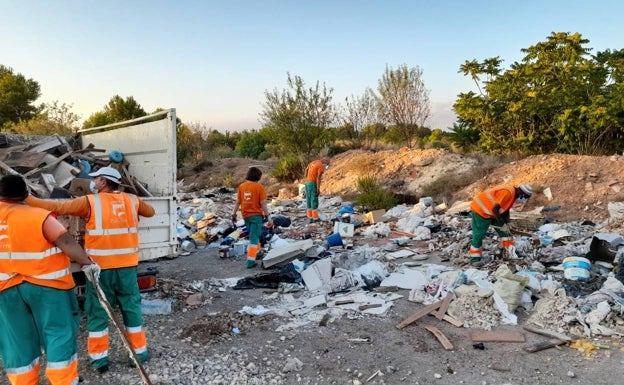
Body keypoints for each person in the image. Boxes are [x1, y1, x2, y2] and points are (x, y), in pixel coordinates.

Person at [25, 166, 155, 374]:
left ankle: (99, 359)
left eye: (96, 179)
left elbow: (56, 207)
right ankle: (138, 353)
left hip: (100, 270)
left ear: (104, 182)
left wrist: (27, 199)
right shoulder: (133, 200)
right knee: (131, 309)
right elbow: (150, 211)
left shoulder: (89, 203)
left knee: (98, 311)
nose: (93, 182)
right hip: (128, 268)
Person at [0, 174, 100, 385]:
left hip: (6, 290)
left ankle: (24, 381)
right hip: (47, 286)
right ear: (26, 194)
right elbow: (65, 241)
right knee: (57, 333)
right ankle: (63, 381)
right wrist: (87, 263)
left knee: (17, 340)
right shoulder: (38, 216)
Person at [468, 184, 533, 266]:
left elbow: (505, 209)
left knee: (505, 233)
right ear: (521, 192)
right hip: (481, 210)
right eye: (525, 197)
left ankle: (511, 253)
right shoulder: (507, 193)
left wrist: (508, 222)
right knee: (479, 235)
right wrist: (503, 225)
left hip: (492, 212)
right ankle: (475, 260)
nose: (523, 199)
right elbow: (495, 209)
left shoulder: (514, 195)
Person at [232, 167, 271, 268]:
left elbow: (238, 202)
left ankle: (257, 253)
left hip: (246, 216)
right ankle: (250, 261)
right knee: (254, 238)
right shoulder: (259, 187)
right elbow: (263, 203)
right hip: (256, 216)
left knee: (254, 235)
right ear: (257, 176)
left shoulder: (242, 186)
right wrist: (268, 216)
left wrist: (234, 214)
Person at [304, 157, 330, 223]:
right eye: (327, 164)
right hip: (312, 184)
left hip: (307, 183)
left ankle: (310, 217)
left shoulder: (314, 162)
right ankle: (315, 218)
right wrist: (318, 188)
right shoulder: (320, 166)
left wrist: (306, 178)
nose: (326, 166)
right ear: (325, 161)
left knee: (309, 199)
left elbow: (306, 170)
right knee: (314, 200)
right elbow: (318, 177)